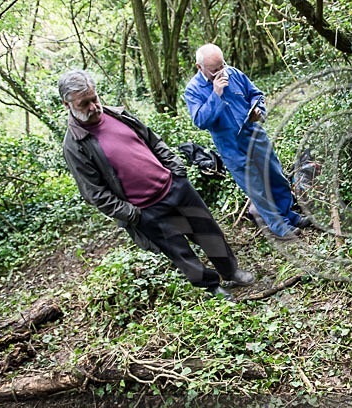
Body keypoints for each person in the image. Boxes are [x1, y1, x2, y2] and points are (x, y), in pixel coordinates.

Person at [58, 69, 253, 301]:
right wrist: (133, 214)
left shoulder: (118, 115)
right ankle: (212, 287)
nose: (93, 107)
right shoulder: (75, 145)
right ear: (67, 104)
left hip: (174, 187)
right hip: (146, 210)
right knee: (179, 251)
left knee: (207, 230)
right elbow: (95, 194)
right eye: (84, 104)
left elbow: (152, 140)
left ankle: (231, 271)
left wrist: (176, 170)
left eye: (94, 99)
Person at [184, 43, 310, 240]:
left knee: (275, 176)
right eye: (215, 70)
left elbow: (256, 94)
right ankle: (278, 225)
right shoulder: (193, 90)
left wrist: (257, 109)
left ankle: (290, 215)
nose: (221, 72)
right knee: (256, 187)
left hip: (254, 134)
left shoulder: (234, 73)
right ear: (200, 67)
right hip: (230, 145)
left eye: (222, 66)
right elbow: (201, 121)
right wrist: (215, 94)